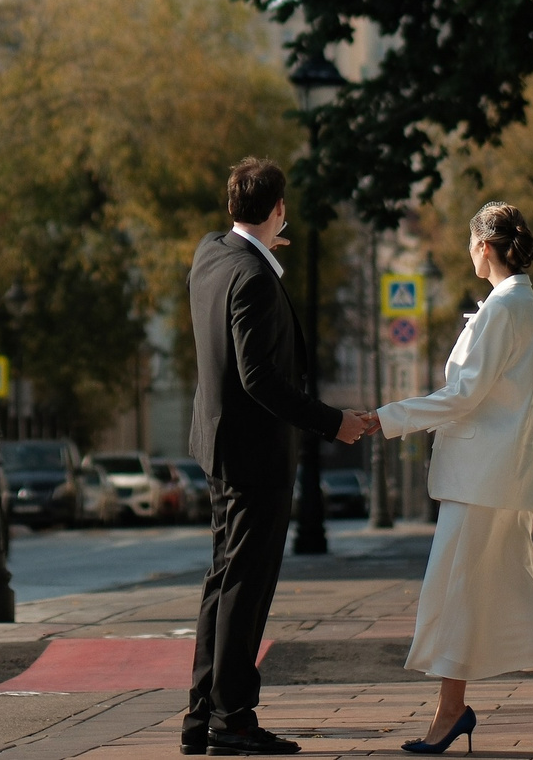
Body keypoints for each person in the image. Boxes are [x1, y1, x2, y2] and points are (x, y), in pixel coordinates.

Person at [368, 203, 533, 754]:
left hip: (482, 478)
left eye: (472, 244)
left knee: (456, 588)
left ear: (484, 248)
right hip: (500, 475)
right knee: (512, 588)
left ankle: (452, 711)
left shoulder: (505, 308)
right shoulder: (522, 304)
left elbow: (464, 394)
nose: (470, 253)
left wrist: (385, 418)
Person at [183, 159, 369, 757]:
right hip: (254, 456)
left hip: (218, 447)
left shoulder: (211, 255)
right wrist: (332, 422)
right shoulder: (254, 278)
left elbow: (233, 245)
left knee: (223, 581)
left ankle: (201, 717)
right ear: (278, 209)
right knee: (246, 586)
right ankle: (232, 720)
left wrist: (262, 241)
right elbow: (259, 377)